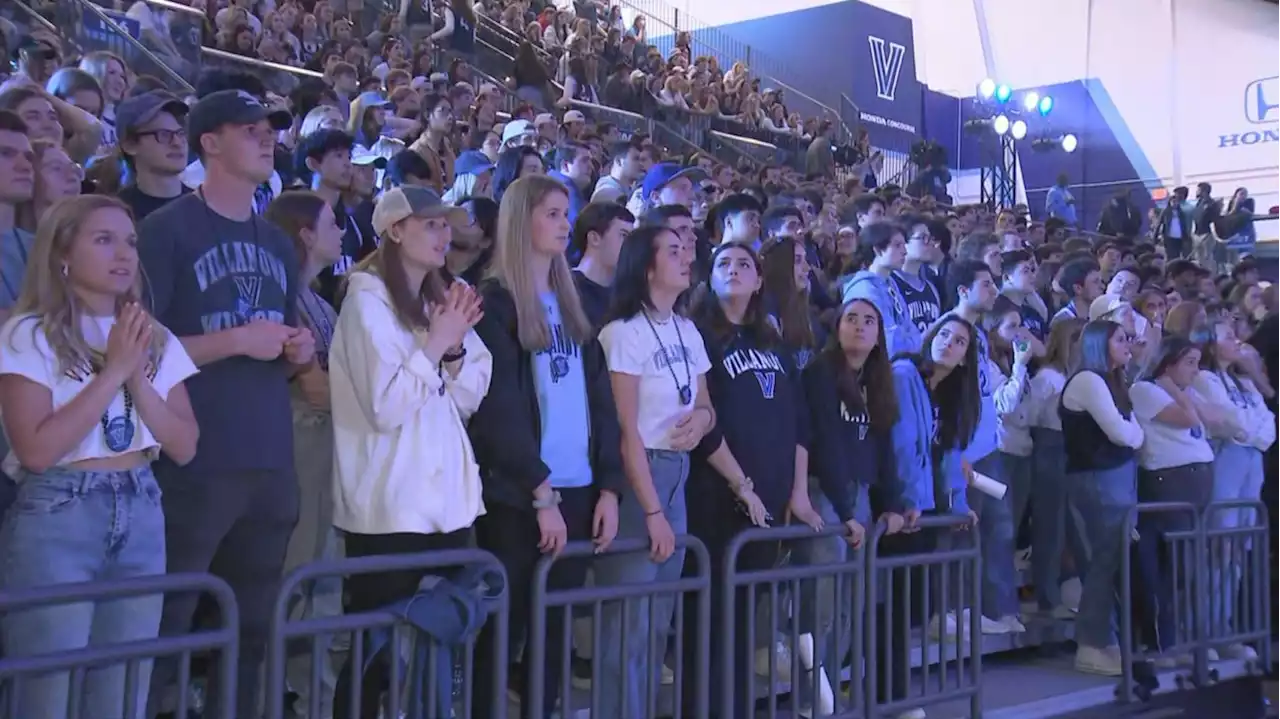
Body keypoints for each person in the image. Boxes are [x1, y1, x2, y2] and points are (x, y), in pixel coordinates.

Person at [139, 89, 314, 718]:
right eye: (249, 129)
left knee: (253, 630)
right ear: (209, 141)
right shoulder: (162, 232)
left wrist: (297, 348)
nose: (267, 139)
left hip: (269, 458)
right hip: (193, 460)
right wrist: (237, 339)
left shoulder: (276, 242)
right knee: (169, 624)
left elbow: (282, 338)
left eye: (270, 129)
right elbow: (135, 349)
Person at [0, 194, 199, 719]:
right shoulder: (29, 333)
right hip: (60, 510)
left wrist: (137, 375)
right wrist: (112, 372)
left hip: (141, 504)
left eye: (129, 241)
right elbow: (37, 450)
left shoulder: (152, 337)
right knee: (46, 687)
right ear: (62, 253)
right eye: (104, 239)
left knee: (123, 684)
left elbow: (184, 443)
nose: (124, 254)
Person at [328, 185, 491, 718]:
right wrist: (438, 342)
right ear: (395, 229)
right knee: (378, 653)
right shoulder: (364, 301)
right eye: (430, 225)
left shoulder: (437, 299)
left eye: (447, 225)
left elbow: (467, 397)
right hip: (389, 508)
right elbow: (386, 405)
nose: (445, 235)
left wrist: (455, 345)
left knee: (437, 651)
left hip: (448, 503)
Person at [468, 175, 623, 716]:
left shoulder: (572, 305)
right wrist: (541, 493)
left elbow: (601, 404)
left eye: (566, 213)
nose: (565, 223)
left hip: (578, 491)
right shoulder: (494, 303)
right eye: (553, 213)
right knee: (501, 632)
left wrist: (609, 487)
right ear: (521, 220)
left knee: (554, 632)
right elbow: (498, 411)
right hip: (520, 499)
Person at [594, 224, 718, 719]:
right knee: (627, 627)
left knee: (657, 621)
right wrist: (650, 509)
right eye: (673, 251)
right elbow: (623, 430)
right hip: (638, 479)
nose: (687, 256)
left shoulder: (687, 329)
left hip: (678, 472)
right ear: (646, 266)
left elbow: (706, 404)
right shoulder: (620, 333)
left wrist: (703, 421)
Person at [683, 240, 809, 717]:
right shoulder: (697, 336)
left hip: (770, 499)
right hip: (718, 496)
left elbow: (799, 420)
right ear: (709, 278)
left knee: (742, 619)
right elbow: (702, 419)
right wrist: (742, 485)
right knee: (710, 617)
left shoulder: (772, 341)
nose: (733, 270)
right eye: (722, 263)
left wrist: (797, 490)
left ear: (759, 280)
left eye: (744, 265)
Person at [264, 190, 346, 716]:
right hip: (299, 445)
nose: (342, 233)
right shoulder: (279, 296)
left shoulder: (317, 298)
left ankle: (314, 697)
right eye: (332, 223)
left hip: (328, 447)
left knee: (322, 578)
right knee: (295, 577)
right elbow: (315, 389)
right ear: (305, 234)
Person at [1060, 320, 1144, 676]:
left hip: (1117, 479)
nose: (1129, 343)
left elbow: (1134, 432)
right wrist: (1134, 434)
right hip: (1097, 480)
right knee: (1100, 563)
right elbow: (1124, 433)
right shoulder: (1088, 380)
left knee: (1112, 562)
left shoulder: (1112, 381)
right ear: (1099, 343)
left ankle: (1105, 639)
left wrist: (1134, 434)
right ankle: (1092, 643)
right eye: (1121, 339)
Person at [1026, 318, 1089, 616]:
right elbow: (1033, 416)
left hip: (1072, 449)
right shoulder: (1049, 377)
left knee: (1071, 527)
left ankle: (1066, 593)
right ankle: (1048, 597)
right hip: (1050, 447)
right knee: (1050, 526)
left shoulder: (1076, 376)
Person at [842, 221, 920, 358]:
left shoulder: (890, 283)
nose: (905, 251)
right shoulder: (865, 289)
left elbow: (911, 328)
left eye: (904, 245)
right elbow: (889, 343)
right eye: (897, 246)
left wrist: (911, 341)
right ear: (877, 250)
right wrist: (912, 342)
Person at [114, 91, 191, 221]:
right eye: (163, 135)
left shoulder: (207, 204)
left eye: (180, 133)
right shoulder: (117, 214)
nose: (177, 143)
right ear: (129, 145)